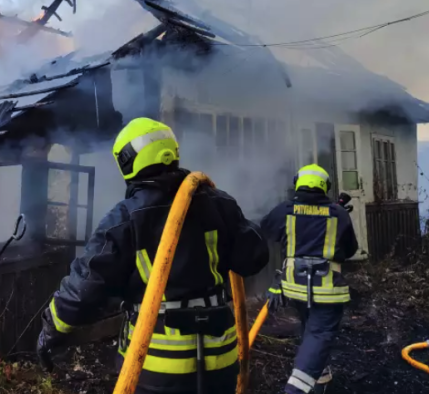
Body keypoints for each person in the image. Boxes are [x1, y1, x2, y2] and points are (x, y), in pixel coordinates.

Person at [37, 117, 269, 394]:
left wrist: (51, 330)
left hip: (157, 366)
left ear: (127, 162)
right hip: (221, 358)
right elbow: (254, 258)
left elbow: (85, 287)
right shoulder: (219, 203)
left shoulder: (125, 218)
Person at [260, 164, 359, 394]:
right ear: (325, 187)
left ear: (298, 184)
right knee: (319, 335)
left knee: (309, 327)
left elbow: (266, 229)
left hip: (295, 288)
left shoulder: (285, 210)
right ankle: (295, 390)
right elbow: (350, 250)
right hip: (326, 290)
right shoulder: (338, 213)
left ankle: (321, 380)